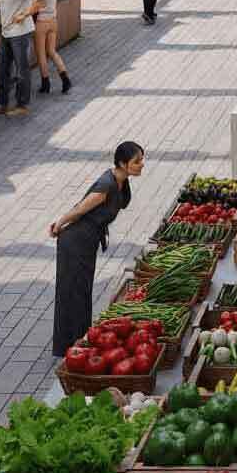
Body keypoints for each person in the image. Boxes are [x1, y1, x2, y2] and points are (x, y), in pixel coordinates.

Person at [50, 140, 146, 356]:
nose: (141, 164)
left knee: (82, 290)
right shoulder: (107, 185)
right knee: (72, 291)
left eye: (141, 160)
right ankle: (70, 345)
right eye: (136, 161)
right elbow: (79, 210)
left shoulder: (122, 181)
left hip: (88, 241)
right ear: (122, 163)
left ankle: (80, 340)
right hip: (75, 241)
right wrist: (58, 224)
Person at [32, 0, 71, 95]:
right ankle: (65, 77)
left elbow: (35, 5)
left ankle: (45, 83)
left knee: (41, 54)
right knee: (52, 51)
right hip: (53, 21)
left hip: (41, 22)